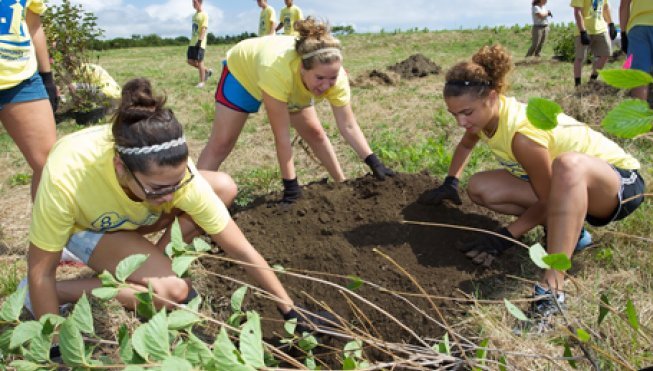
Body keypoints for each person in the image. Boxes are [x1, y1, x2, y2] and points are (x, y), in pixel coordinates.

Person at [23, 78, 316, 329]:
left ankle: (152, 256)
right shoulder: (66, 177)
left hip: (132, 214)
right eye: (158, 188)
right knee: (170, 293)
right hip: (88, 225)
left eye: (177, 184)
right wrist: (55, 344)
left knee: (222, 187)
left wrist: (289, 309)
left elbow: (239, 248)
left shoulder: (177, 176)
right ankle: (57, 293)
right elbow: (40, 270)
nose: (170, 197)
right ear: (120, 168)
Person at [419, 45, 645, 329]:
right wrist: (451, 182)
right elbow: (466, 144)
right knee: (479, 187)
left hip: (619, 185)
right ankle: (574, 234)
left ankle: (551, 290)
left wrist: (505, 236)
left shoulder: (522, 135)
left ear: (492, 97)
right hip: (571, 191)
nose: (461, 122)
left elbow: (551, 198)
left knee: (567, 165)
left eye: (466, 113)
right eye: (454, 115)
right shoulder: (484, 120)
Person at [198, 17, 393, 203]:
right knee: (222, 143)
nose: (326, 85)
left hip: (288, 82)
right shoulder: (277, 71)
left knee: (315, 132)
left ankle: (341, 182)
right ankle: (191, 199)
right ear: (302, 68)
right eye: (320, 78)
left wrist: (374, 162)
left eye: (332, 78)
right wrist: (291, 187)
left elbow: (348, 125)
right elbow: (282, 136)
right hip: (243, 73)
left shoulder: (335, 76)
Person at [0, 0, 57, 200]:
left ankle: (44, 231)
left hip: (22, 78)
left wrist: (46, 77)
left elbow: (33, 26)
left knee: (49, 163)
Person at [619, 0, 653, 101]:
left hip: (638, 26)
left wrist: (623, 34)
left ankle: (637, 114)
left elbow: (624, 5)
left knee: (639, 74)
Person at [571, 0, 617, 86]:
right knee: (580, 58)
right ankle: (577, 85)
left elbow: (605, 8)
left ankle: (592, 81)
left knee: (606, 54)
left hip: (601, 29)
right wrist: (582, 31)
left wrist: (611, 24)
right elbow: (577, 12)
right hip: (584, 29)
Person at [187, 0, 212, 88]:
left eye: (195, 2)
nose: (194, 4)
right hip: (192, 42)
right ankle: (207, 71)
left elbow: (204, 29)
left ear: (200, 3)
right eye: (193, 3)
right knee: (190, 61)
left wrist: (200, 41)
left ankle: (202, 82)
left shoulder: (204, 15)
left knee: (200, 62)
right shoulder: (194, 15)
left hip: (199, 42)